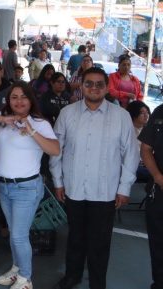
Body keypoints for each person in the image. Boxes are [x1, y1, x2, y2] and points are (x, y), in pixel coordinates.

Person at [51, 67, 139, 289]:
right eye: (89, 83)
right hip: (74, 188)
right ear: (81, 86)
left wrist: (124, 188)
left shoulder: (121, 116)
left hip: (105, 191)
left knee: (100, 242)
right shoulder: (67, 113)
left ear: (107, 87)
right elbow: (56, 150)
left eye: (100, 84)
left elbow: (131, 154)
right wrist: (58, 181)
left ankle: (98, 283)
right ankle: (72, 276)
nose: (94, 88)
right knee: (75, 237)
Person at [0, 81, 60, 289]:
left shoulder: (40, 123)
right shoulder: (3, 118)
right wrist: (3, 118)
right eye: (14, 97)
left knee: (18, 236)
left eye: (24, 97)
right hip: (4, 186)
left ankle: (26, 278)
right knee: (14, 233)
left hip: (26, 188)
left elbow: (55, 149)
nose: (19, 101)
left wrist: (31, 131)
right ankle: (17, 268)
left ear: (31, 99)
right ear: (8, 100)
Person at [138, 103, 163, 289]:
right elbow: (146, 149)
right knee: (158, 244)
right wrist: (158, 177)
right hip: (159, 189)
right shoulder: (160, 112)